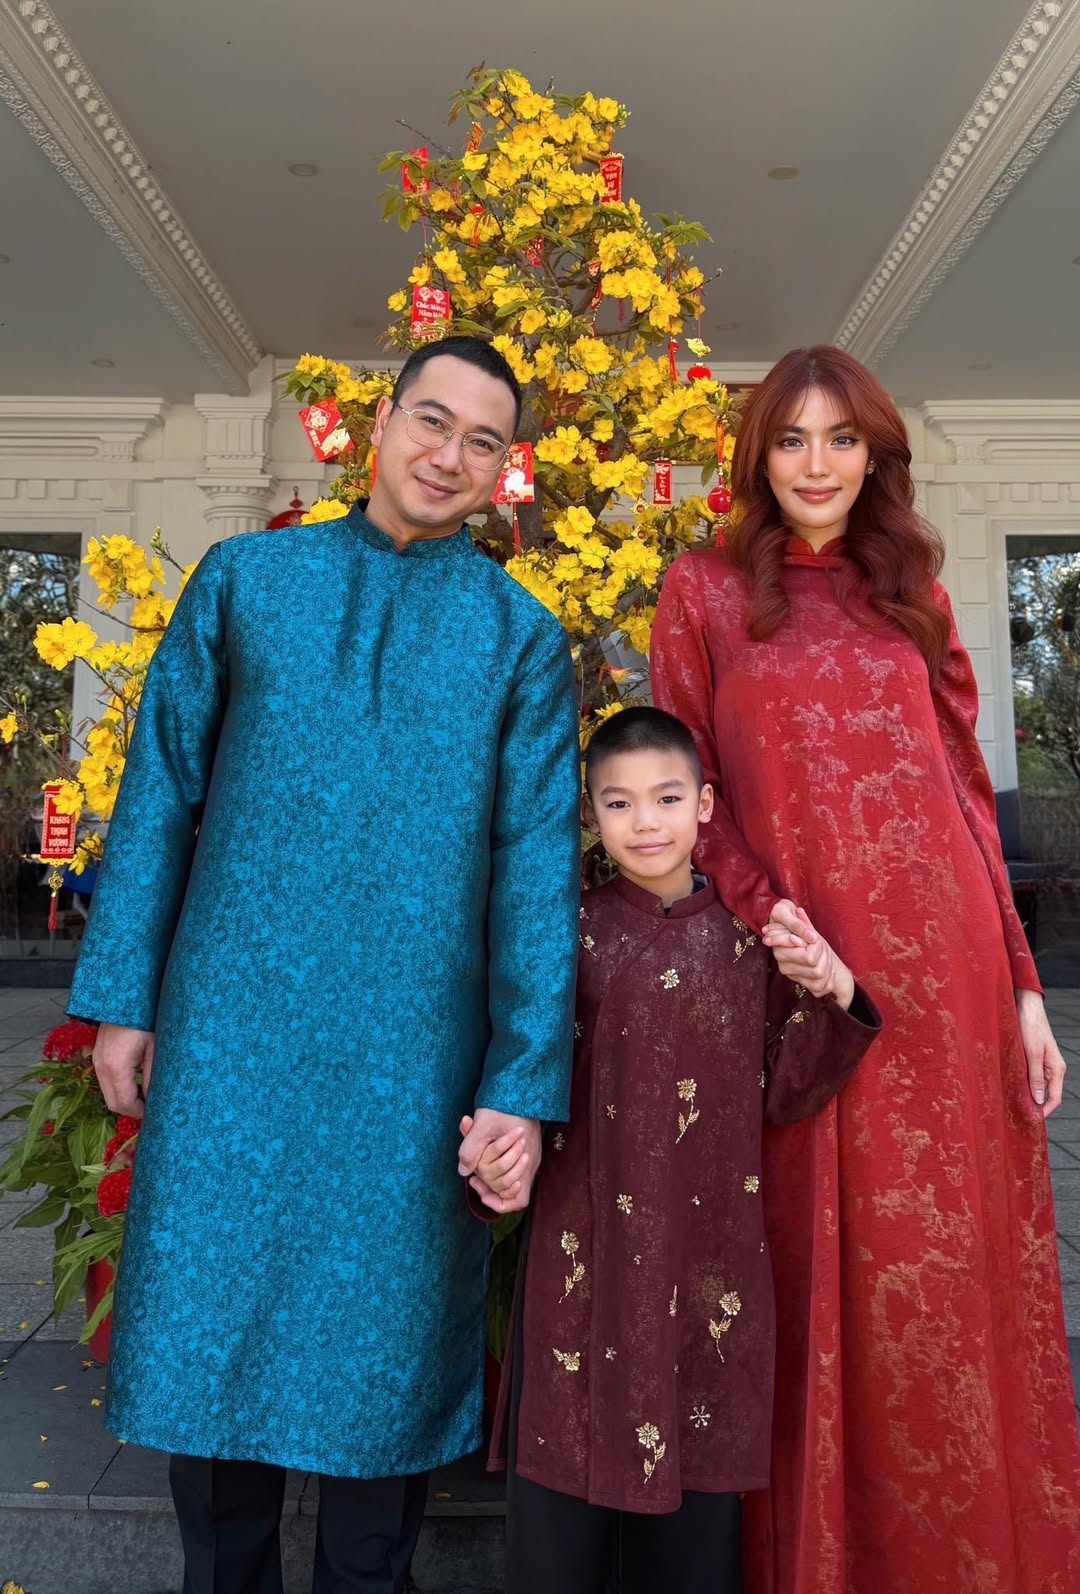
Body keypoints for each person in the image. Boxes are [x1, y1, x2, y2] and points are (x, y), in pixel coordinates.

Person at [69, 336, 581, 1594]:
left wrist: (520, 1083)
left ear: (504, 470)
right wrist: (124, 1000)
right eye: (432, 420)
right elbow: (162, 791)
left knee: (382, 1361)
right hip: (230, 1033)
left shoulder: (519, 638)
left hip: (411, 1057)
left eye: (482, 441)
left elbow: (534, 869)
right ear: (380, 422)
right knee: (214, 1333)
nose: (448, 455)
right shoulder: (246, 582)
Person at [650, 345, 1080, 1594]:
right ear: (759, 456)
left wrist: (1023, 987)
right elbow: (688, 791)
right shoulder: (703, 591)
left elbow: (963, 795)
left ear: (875, 455)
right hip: (801, 983)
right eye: (792, 438)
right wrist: (772, 916)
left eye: (842, 439)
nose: (818, 463)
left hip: (945, 976)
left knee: (942, 1273)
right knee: (813, 1262)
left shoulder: (914, 592)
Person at [469, 706, 881, 1594]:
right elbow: (512, 1071)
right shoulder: (562, 934)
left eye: (665, 798)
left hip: (708, 1261)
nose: (644, 822)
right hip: (583, 1253)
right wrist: (494, 1153)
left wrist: (834, 989)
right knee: (560, 1513)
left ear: (705, 806)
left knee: (695, 1527)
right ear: (590, 813)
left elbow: (791, 1092)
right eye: (618, 803)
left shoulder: (749, 942)